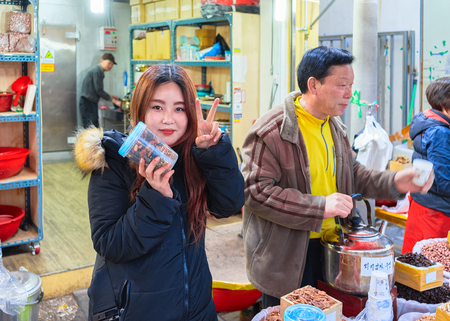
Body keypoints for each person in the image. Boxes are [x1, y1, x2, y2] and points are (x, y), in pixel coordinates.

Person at [240, 46, 434, 308]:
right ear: (314, 85)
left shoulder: (335, 127)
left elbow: (353, 174)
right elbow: (255, 192)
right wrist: (320, 206)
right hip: (286, 255)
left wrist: (396, 181)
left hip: (333, 246)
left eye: (351, 85)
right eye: (342, 85)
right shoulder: (272, 131)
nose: (349, 94)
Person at [73, 64, 245, 320]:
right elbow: (110, 243)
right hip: (136, 311)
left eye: (179, 109)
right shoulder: (114, 162)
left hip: (197, 307)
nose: (168, 119)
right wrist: (155, 196)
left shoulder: (194, 157)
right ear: (140, 110)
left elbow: (229, 205)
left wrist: (215, 153)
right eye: (157, 107)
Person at [401, 77, 450, 253]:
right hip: (436, 211)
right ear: (445, 103)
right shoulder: (439, 132)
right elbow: (445, 181)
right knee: (431, 267)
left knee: (420, 263)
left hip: (427, 205)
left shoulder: (431, 122)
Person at [80, 53, 121, 128]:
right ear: (102, 60)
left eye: (112, 64)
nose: (110, 66)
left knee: (92, 128)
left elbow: (97, 90)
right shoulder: (97, 71)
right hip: (88, 104)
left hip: (90, 103)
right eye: (109, 63)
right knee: (91, 130)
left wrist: (111, 96)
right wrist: (115, 101)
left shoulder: (98, 71)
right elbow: (99, 91)